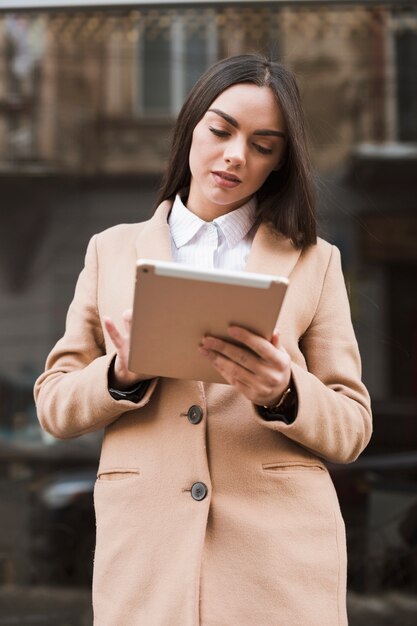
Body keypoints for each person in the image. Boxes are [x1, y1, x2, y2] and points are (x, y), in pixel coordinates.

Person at [34, 54, 372, 626]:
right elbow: (53, 406)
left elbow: (352, 427)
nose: (236, 155)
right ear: (191, 127)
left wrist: (285, 391)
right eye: (220, 130)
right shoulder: (110, 251)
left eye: (264, 145)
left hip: (278, 559)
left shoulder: (316, 261)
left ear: (279, 164)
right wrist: (122, 373)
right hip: (147, 555)